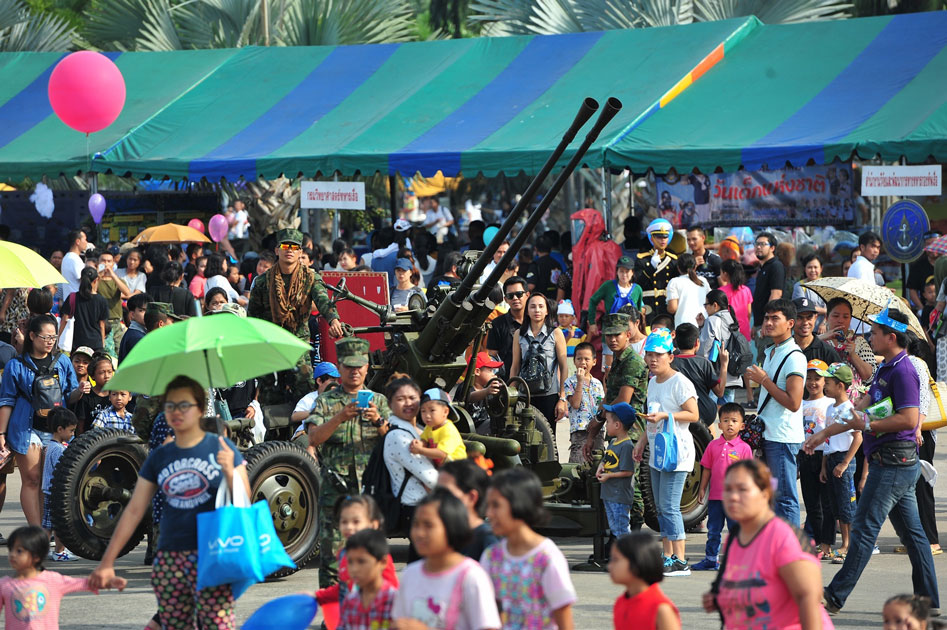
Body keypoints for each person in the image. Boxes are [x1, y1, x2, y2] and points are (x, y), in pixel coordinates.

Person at [806, 308, 939, 615]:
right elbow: (858, 410)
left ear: (891, 337)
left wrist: (868, 424)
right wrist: (824, 432)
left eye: (875, 333)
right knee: (914, 536)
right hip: (893, 461)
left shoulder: (904, 371)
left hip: (893, 460)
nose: (870, 337)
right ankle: (929, 602)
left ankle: (834, 596)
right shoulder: (884, 370)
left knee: (864, 528)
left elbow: (906, 418)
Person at [89, 375, 249, 629]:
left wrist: (230, 471)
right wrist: (107, 562)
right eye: (170, 405)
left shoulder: (223, 448)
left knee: (216, 625)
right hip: (170, 558)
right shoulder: (160, 456)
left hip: (213, 556)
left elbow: (244, 503)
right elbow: (134, 510)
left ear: (199, 408)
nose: (175, 411)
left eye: (183, 405)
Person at [700, 460, 834, 629]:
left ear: (765, 493)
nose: (733, 496)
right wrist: (720, 599)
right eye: (728, 489)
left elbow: (809, 599)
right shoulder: (735, 538)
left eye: (742, 489)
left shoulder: (783, 537)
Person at [304, 337, 389, 588]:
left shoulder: (380, 401)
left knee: (371, 555)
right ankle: (333, 619)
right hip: (336, 490)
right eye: (349, 367)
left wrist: (378, 421)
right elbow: (314, 437)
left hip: (370, 490)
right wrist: (340, 417)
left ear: (367, 368)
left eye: (359, 366)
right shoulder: (325, 402)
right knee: (331, 557)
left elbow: (394, 442)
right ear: (339, 368)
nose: (354, 371)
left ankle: (367, 614)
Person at [249, 229, 343, 407]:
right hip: (271, 344)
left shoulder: (310, 277)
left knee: (304, 383)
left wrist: (334, 320)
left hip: (298, 343)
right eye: (285, 245)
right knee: (268, 393)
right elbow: (253, 317)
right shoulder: (263, 282)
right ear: (277, 250)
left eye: (294, 247)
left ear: (300, 252)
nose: (289, 250)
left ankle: (304, 429)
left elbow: (323, 300)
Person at [632, 329, 699, 576]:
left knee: (670, 506)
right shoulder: (652, 382)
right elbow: (651, 419)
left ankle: (680, 560)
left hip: (677, 453)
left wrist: (665, 415)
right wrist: (641, 442)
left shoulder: (680, 382)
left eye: (658, 355)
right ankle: (668, 555)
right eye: (649, 354)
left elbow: (694, 415)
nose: (652, 359)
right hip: (658, 453)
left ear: (671, 356)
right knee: (660, 507)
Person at [0, 315, 79, 526]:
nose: (50, 340)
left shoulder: (62, 361)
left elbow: (70, 395)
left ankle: (47, 529)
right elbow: (6, 400)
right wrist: (1, 434)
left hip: (56, 430)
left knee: (50, 482)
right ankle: (37, 530)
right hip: (26, 429)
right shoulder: (15, 365)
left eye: (54, 336)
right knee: (32, 479)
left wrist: (80, 391)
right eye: (46, 336)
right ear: (32, 336)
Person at [392, 488, 501, 630]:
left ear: (452, 527)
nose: (419, 533)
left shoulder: (471, 576)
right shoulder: (410, 574)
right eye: (416, 524)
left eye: (428, 525)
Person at [482, 469, 576, 630]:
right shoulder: (492, 556)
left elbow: (563, 616)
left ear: (520, 504)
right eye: (488, 505)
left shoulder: (546, 558)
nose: (489, 513)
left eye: (496, 505)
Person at [583, 313, 649, 530]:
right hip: (615, 427)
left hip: (630, 429)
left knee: (630, 480)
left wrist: (599, 419)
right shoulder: (617, 362)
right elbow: (607, 398)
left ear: (628, 335)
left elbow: (623, 402)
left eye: (617, 335)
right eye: (608, 335)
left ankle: (635, 528)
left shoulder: (633, 362)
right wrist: (595, 428)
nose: (612, 340)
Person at [746, 299, 806, 526]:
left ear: (790, 323)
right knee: (772, 497)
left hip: (782, 436)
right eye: (766, 318)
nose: (769, 323)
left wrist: (765, 381)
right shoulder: (772, 350)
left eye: (775, 318)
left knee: (785, 498)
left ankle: (791, 552)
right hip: (768, 434)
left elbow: (793, 402)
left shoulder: (794, 356)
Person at [1, 525, 125, 629]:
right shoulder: (4, 585)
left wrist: (109, 582)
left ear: (36, 556)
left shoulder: (52, 580)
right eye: (11, 549)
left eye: (19, 551)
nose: (12, 555)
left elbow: (84, 583)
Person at [315, 495, 399, 615]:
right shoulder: (343, 554)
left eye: (356, 522)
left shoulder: (377, 556)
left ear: (373, 524)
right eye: (344, 521)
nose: (349, 527)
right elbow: (344, 588)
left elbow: (393, 591)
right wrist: (318, 596)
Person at [694, 402, 751, 571]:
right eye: (725, 420)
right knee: (713, 530)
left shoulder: (744, 448)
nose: (730, 424)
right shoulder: (713, 445)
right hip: (716, 498)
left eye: (734, 421)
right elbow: (707, 469)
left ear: (742, 426)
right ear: (719, 425)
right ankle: (711, 560)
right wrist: (702, 488)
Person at [815, 362, 860, 563]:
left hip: (844, 459)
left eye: (829, 382)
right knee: (835, 505)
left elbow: (858, 437)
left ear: (841, 386)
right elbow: (828, 439)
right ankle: (843, 543)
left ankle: (848, 544)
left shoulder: (848, 408)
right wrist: (824, 466)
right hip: (832, 458)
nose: (825, 385)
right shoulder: (831, 407)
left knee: (846, 505)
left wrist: (845, 463)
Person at [382, 377, 438, 519]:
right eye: (401, 399)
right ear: (390, 404)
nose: (408, 403)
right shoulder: (398, 436)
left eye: (413, 398)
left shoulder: (417, 430)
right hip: (415, 508)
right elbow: (429, 477)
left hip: (425, 505)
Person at [510, 293, 568, 425]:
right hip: (525, 395)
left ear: (547, 310)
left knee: (548, 437)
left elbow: (564, 367)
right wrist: (512, 392)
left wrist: (562, 397)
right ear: (527, 311)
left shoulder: (556, 333)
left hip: (549, 395)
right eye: (533, 307)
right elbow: (515, 366)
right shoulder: (519, 334)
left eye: (541, 306)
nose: (537, 310)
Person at [799, 359, 835, 557]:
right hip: (805, 456)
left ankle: (826, 543)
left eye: (818, 379)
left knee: (827, 505)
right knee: (812, 504)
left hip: (824, 455)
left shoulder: (829, 403)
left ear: (825, 381)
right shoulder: (801, 403)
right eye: (809, 378)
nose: (813, 383)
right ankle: (816, 541)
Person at [609, 531, 681, 630]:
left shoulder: (661, 609)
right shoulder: (620, 602)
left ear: (637, 562)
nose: (610, 566)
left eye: (615, 560)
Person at [339, 529, 399, 630]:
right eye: (350, 562)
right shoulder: (349, 602)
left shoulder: (395, 601)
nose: (354, 569)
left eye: (361, 561)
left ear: (383, 562)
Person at [438, 459, 498, 560]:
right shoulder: (443, 537)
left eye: (446, 493)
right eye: (436, 492)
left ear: (471, 497)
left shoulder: (488, 542)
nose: (437, 499)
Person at [41, 408, 78, 562]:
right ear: (60, 429)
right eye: (71, 430)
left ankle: (40, 551)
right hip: (56, 492)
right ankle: (59, 551)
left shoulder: (51, 446)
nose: (73, 434)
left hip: (50, 491)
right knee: (60, 524)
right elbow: (63, 470)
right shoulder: (57, 450)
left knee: (49, 524)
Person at [818, 297, 877, 393]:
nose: (840, 320)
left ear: (850, 319)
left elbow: (869, 376)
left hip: (854, 400)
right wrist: (822, 338)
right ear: (827, 318)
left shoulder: (859, 342)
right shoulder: (818, 341)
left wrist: (853, 355)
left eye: (845, 317)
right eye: (836, 316)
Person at [596, 403, 638, 538]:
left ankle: (628, 557)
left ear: (617, 425)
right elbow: (606, 458)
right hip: (609, 494)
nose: (606, 425)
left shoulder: (627, 446)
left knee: (622, 530)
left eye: (608, 422)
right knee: (615, 529)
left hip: (619, 496)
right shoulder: (614, 442)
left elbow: (628, 471)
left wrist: (609, 476)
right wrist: (600, 467)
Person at [673, 323, 726, 426]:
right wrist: (724, 364)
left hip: (678, 414)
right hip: (704, 414)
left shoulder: (670, 362)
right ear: (697, 343)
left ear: (676, 342)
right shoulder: (703, 363)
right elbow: (720, 392)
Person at [564, 342, 605, 463]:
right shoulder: (569, 382)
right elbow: (575, 404)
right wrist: (580, 382)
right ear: (574, 361)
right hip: (580, 431)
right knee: (578, 463)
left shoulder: (597, 383)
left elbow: (602, 404)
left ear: (594, 361)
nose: (583, 362)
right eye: (579, 359)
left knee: (597, 462)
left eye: (587, 359)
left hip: (598, 429)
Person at [699, 290, 743, 402]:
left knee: (710, 413)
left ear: (715, 305)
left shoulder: (712, 320)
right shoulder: (732, 318)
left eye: (706, 305)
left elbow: (704, 350)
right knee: (728, 413)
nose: (705, 308)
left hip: (715, 376)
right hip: (732, 374)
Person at [588, 257, 643, 339]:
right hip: (610, 333)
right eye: (621, 271)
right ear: (617, 272)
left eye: (627, 271)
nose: (624, 275)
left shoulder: (637, 289)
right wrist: (592, 322)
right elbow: (593, 301)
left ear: (632, 272)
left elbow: (638, 312)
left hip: (630, 335)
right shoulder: (608, 286)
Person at [751, 233, 785, 364]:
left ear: (772, 248)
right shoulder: (763, 267)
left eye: (763, 244)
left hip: (769, 325)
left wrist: (767, 321)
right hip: (761, 324)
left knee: (766, 361)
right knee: (762, 360)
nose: (759, 247)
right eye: (757, 244)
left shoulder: (775, 266)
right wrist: (756, 324)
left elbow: (776, 295)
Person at [634, 219, 678, 320]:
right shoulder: (642, 260)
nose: (662, 240)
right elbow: (637, 284)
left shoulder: (672, 260)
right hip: (649, 306)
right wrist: (651, 267)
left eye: (665, 237)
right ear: (652, 238)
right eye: (658, 237)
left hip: (666, 307)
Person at [411, 388, 466, 466]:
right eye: (423, 411)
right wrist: (420, 443)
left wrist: (420, 450)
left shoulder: (449, 430)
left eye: (432, 410)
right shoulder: (430, 427)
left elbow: (441, 453)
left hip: (457, 470)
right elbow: (424, 439)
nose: (427, 415)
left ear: (445, 412)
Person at [486, 276, 527, 379]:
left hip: (536, 383)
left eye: (519, 294)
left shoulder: (535, 322)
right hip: (506, 383)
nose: (515, 299)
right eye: (510, 296)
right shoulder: (497, 324)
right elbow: (492, 356)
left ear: (527, 295)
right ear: (505, 299)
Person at [60, 267, 108, 353]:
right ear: (96, 280)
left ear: (81, 279)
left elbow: (64, 320)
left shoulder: (73, 297)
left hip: (78, 342)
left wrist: (58, 338)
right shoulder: (102, 300)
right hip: (95, 343)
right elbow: (101, 325)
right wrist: (102, 344)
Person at [95, 249, 133, 357]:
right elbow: (92, 291)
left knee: (120, 350)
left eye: (109, 261)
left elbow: (126, 292)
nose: (106, 264)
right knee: (105, 352)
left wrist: (113, 275)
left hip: (116, 321)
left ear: (113, 263)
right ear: (98, 262)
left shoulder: (118, 280)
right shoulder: (95, 280)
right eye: (103, 261)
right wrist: (99, 276)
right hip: (102, 322)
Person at [848, 231, 883, 334]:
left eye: (878, 247)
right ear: (862, 247)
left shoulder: (864, 265)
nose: (876, 250)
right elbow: (864, 294)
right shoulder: (862, 266)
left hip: (863, 323)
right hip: (862, 325)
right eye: (873, 246)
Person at [69, 353, 113, 434]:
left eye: (109, 372)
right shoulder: (86, 396)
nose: (106, 376)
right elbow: (80, 426)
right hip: (91, 441)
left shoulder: (115, 395)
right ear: (93, 376)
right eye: (102, 373)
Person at [462, 352, 504, 436]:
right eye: (490, 370)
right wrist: (486, 391)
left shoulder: (488, 388)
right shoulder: (465, 387)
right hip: (470, 430)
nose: (494, 374)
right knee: (496, 424)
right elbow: (468, 397)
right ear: (477, 371)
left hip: (484, 427)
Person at [792, 297, 842, 366]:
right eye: (799, 318)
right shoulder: (783, 349)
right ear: (791, 320)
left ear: (815, 318)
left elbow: (840, 375)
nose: (805, 322)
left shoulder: (827, 351)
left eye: (809, 317)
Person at [666, 254, 710, 328]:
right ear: (695, 266)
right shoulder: (703, 280)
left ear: (678, 268)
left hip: (684, 325)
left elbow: (672, 308)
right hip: (703, 322)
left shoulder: (674, 282)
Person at [792, 254, 827, 332]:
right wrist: (825, 311)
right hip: (805, 329)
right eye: (809, 267)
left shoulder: (827, 286)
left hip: (824, 329)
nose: (813, 270)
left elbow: (832, 308)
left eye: (815, 267)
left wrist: (824, 323)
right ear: (805, 269)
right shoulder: (800, 286)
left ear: (821, 268)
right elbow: (803, 307)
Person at [527, 232, 564, 301]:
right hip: (554, 302)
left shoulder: (535, 264)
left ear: (536, 248)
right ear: (550, 248)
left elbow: (531, 286)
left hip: (540, 302)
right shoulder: (557, 264)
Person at [117, 293, 152, 365]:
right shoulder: (136, 337)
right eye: (142, 310)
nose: (147, 314)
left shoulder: (137, 333)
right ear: (132, 315)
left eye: (149, 310)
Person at [61, 228, 87, 301]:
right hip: (75, 301)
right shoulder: (74, 259)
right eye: (85, 239)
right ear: (78, 241)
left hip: (71, 300)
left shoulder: (68, 257)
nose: (86, 242)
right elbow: (85, 279)